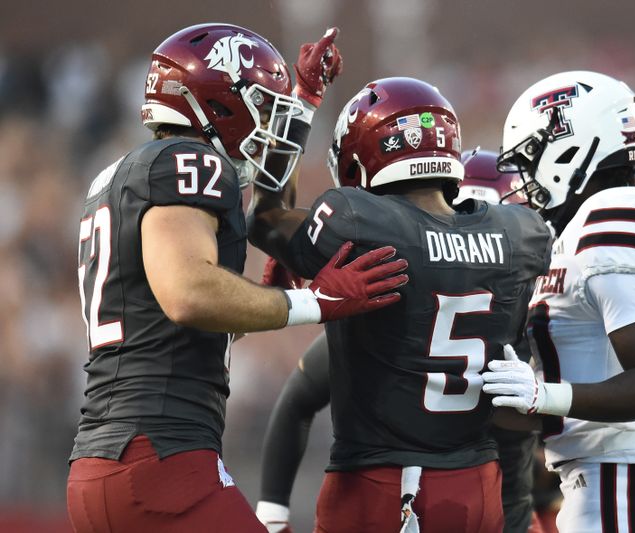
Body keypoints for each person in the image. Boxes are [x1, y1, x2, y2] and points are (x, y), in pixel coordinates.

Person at [66, 23, 409, 533]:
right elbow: (188, 294)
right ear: (219, 104)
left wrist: (305, 101)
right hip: (160, 457)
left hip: (103, 461)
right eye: (264, 108)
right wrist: (316, 301)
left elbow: (186, 314)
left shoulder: (121, 176)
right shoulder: (190, 160)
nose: (267, 127)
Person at [248, 79, 553, 532]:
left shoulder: (360, 223)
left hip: (386, 484)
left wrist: (303, 103)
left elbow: (264, 217)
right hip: (479, 486)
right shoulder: (520, 232)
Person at [481, 70, 635, 532]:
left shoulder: (619, 213)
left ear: (569, 145)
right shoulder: (581, 228)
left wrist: (542, 395)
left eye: (531, 159)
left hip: (626, 479)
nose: (526, 180)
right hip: (601, 478)